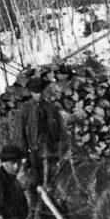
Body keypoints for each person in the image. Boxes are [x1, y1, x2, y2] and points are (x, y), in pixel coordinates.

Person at [9, 72, 68, 210]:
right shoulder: (25, 109)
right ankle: (36, 209)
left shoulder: (51, 108)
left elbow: (60, 130)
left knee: (56, 178)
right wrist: (24, 154)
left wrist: (61, 146)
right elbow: (19, 133)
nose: (39, 95)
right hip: (33, 151)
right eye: (36, 93)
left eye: (41, 92)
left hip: (51, 149)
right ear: (31, 93)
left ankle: (56, 204)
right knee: (34, 180)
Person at [0, 143, 32, 219]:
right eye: (12, 163)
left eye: (18, 162)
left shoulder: (14, 180)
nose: (16, 166)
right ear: (3, 163)